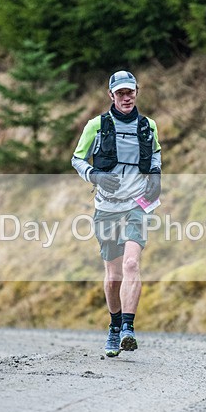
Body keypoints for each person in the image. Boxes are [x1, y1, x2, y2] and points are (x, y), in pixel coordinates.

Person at [71, 70, 162, 357]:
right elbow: (76, 158)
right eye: (120, 93)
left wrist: (156, 176)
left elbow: (156, 153)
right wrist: (95, 175)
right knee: (113, 276)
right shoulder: (95, 126)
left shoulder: (149, 126)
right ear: (111, 95)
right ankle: (113, 325)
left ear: (137, 92)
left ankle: (128, 329)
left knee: (132, 265)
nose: (126, 97)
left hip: (137, 205)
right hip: (107, 207)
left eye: (130, 92)